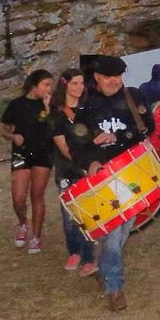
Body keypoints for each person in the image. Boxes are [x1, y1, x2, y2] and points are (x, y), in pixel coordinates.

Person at [77, 55, 150, 311]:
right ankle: (115, 288)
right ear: (97, 77)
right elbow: (78, 141)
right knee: (112, 234)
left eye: (118, 77)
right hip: (102, 178)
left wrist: (119, 135)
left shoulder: (131, 97)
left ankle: (105, 269)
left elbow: (146, 127)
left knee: (122, 230)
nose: (115, 82)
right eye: (109, 78)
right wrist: (92, 162)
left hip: (131, 173)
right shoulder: (85, 104)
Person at [0, 69, 55, 253]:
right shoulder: (17, 104)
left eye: (51, 85)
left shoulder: (49, 105)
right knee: (18, 198)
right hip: (21, 154)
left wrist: (48, 109)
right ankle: (23, 223)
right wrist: (13, 136)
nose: (49, 89)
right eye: (46, 85)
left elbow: (51, 126)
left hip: (43, 153)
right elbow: (3, 130)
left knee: (37, 195)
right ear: (34, 85)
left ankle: (36, 236)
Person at [49, 68, 97, 276]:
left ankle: (88, 257)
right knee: (69, 216)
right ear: (65, 85)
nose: (79, 87)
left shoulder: (89, 107)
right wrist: (82, 163)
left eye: (81, 83)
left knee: (88, 215)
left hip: (88, 168)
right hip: (68, 169)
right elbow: (62, 146)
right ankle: (74, 251)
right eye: (74, 83)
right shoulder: (57, 113)